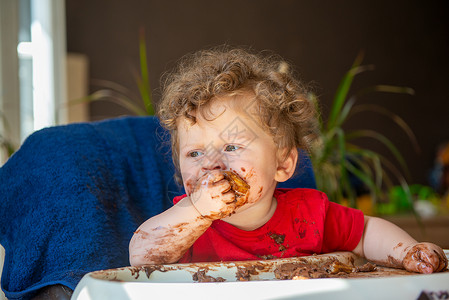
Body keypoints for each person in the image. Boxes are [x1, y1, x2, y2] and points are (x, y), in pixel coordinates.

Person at [129, 46, 447, 274]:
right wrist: (197, 210)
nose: (211, 164)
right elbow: (141, 256)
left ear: (283, 164)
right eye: (195, 153)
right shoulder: (184, 222)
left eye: (231, 147)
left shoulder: (308, 215)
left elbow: (365, 233)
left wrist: (407, 251)